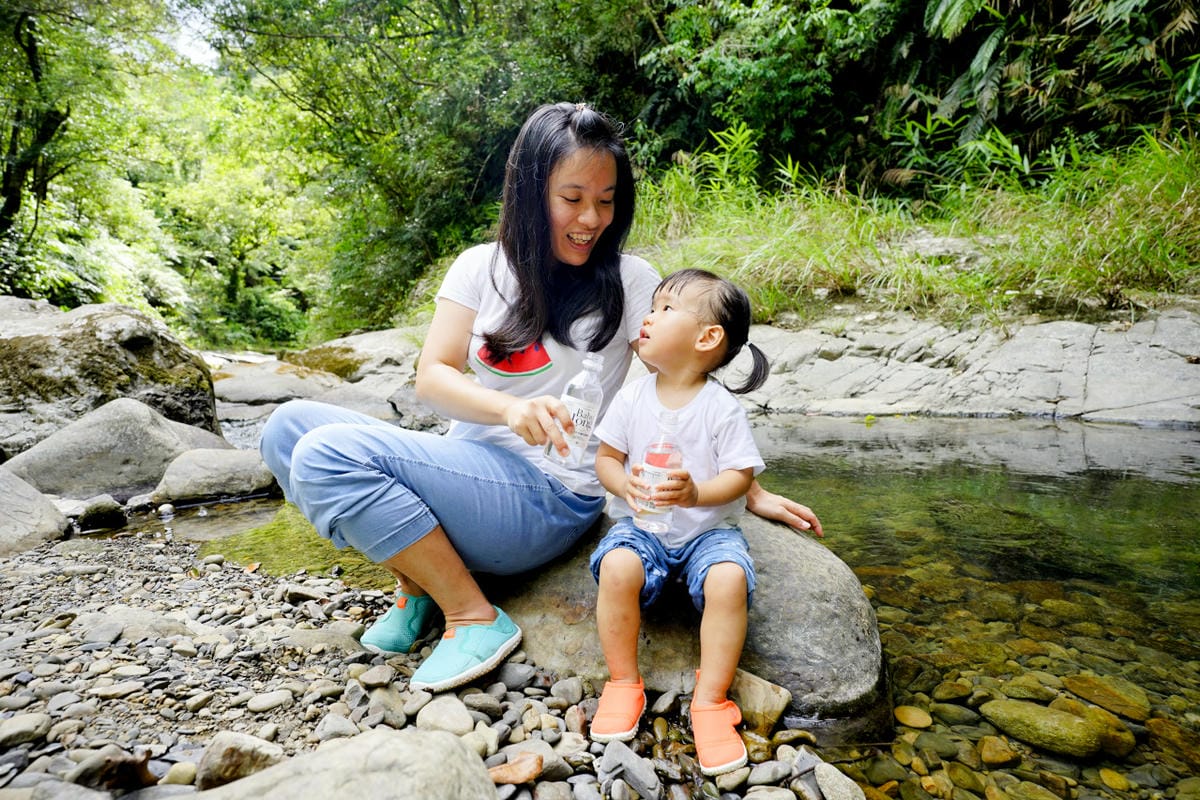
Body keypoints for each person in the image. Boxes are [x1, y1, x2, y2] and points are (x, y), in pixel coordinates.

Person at [258, 102, 822, 695]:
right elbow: (433, 376)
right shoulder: (479, 268)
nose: (591, 219)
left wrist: (744, 483)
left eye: (606, 200)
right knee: (287, 429)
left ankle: (472, 616)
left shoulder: (630, 280)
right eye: (572, 198)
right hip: (471, 467)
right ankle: (420, 586)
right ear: (530, 192)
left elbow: (685, 380)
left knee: (327, 456)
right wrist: (509, 409)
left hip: (551, 494)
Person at [587, 268, 784, 776]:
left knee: (729, 579)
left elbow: (740, 476)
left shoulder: (720, 408)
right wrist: (621, 483)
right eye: (651, 307)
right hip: (642, 525)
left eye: (665, 309)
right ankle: (623, 682)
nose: (648, 318)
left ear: (707, 337)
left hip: (707, 532)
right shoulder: (633, 396)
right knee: (617, 567)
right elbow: (607, 458)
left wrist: (698, 492)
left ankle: (711, 700)